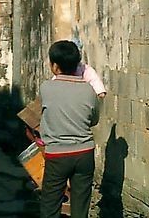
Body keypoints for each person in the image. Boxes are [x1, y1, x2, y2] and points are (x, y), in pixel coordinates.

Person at [39, 40, 100, 218]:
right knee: (81, 206)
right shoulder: (89, 89)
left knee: (50, 205)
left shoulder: (47, 87)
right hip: (84, 153)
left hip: (57, 154)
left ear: (55, 66)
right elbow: (94, 119)